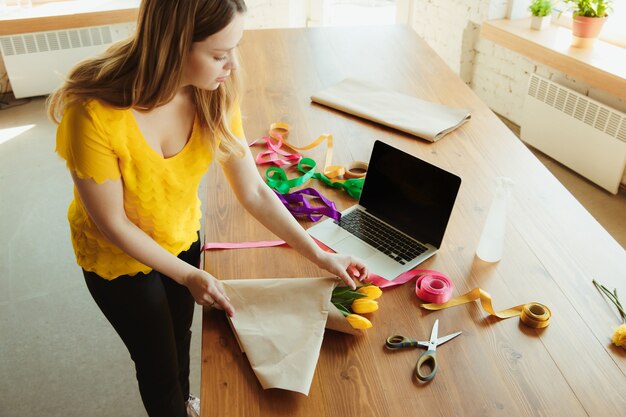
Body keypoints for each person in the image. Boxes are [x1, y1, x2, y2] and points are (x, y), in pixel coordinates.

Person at [47, 1, 368, 416]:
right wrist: (189, 275)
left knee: (180, 337)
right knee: (156, 363)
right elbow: (113, 224)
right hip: (118, 259)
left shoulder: (214, 93)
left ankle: (183, 402)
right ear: (173, 46)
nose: (232, 65)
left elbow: (252, 191)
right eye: (219, 55)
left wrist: (320, 254)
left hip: (179, 234)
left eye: (235, 48)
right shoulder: (91, 114)